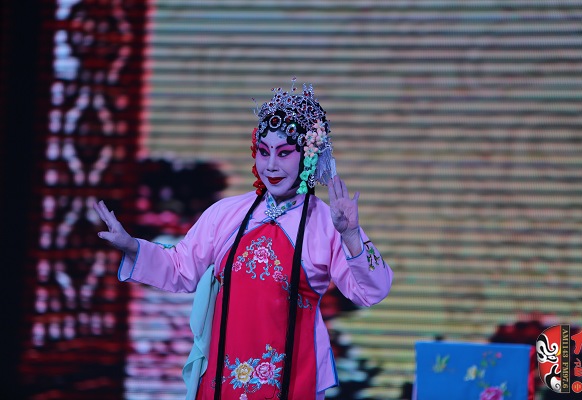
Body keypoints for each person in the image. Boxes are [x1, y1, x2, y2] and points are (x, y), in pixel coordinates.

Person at [95, 80, 393, 400]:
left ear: (308, 157)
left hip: (292, 378)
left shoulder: (326, 222)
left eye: (284, 153)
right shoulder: (226, 213)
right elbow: (181, 268)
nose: (271, 165)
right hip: (222, 374)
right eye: (264, 152)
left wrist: (351, 235)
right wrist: (132, 246)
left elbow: (371, 291)